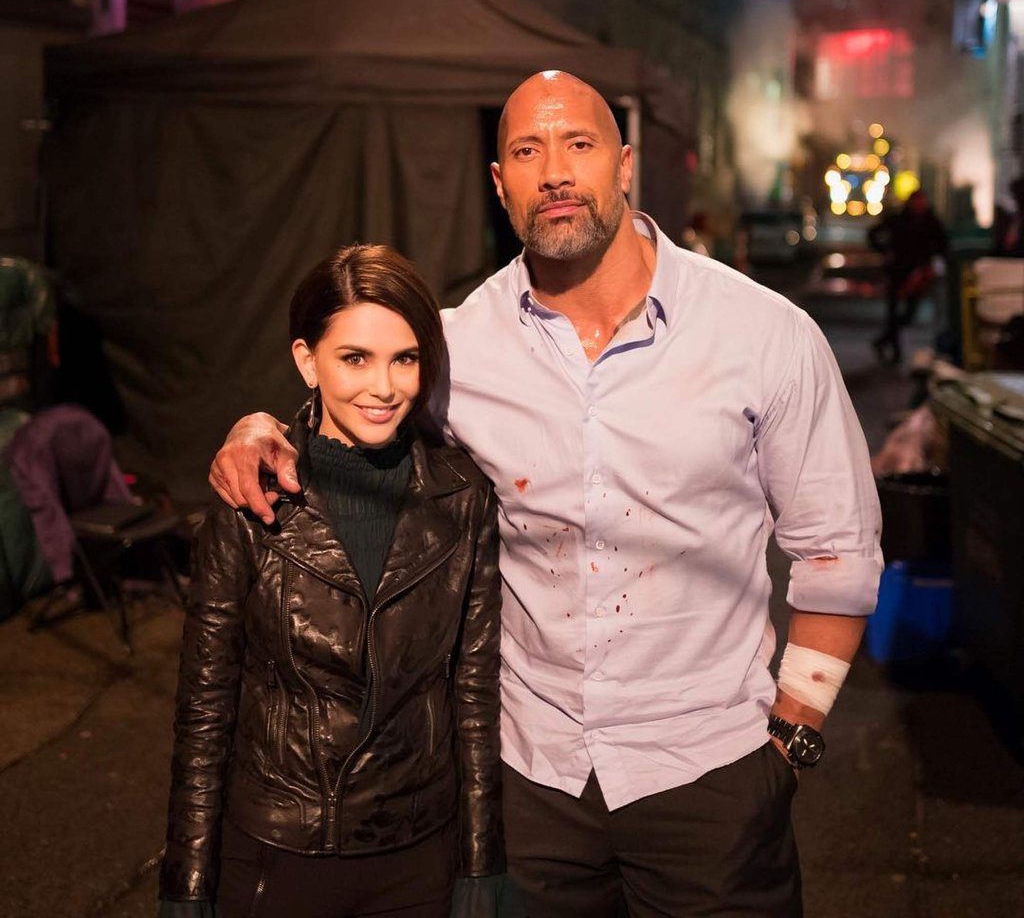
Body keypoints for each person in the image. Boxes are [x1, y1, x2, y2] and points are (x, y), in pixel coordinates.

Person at [210, 72, 882, 917]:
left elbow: (838, 553)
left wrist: (790, 739)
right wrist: (262, 424)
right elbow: (355, 408)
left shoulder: (764, 335)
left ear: (625, 165)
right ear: (500, 185)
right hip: (530, 786)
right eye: (527, 151)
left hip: (712, 776)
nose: (555, 171)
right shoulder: (458, 348)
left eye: (580, 145)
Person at [159, 245, 504, 918]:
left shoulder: (464, 497)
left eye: (405, 358)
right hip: (278, 853)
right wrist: (188, 879)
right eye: (355, 358)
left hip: (419, 852)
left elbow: (473, 694)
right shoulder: (252, 496)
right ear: (305, 359)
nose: (384, 386)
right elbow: (205, 708)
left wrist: (480, 862)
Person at [868, 190, 948, 365]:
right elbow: (873, 233)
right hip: (896, 271)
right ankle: (894, 352)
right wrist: (884, 252)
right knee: (893, 311)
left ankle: (883, 340)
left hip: (916, 274)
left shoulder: (930, 221)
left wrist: (930, 264)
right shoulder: (899, 219)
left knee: (908, 313)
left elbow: (942, 244)